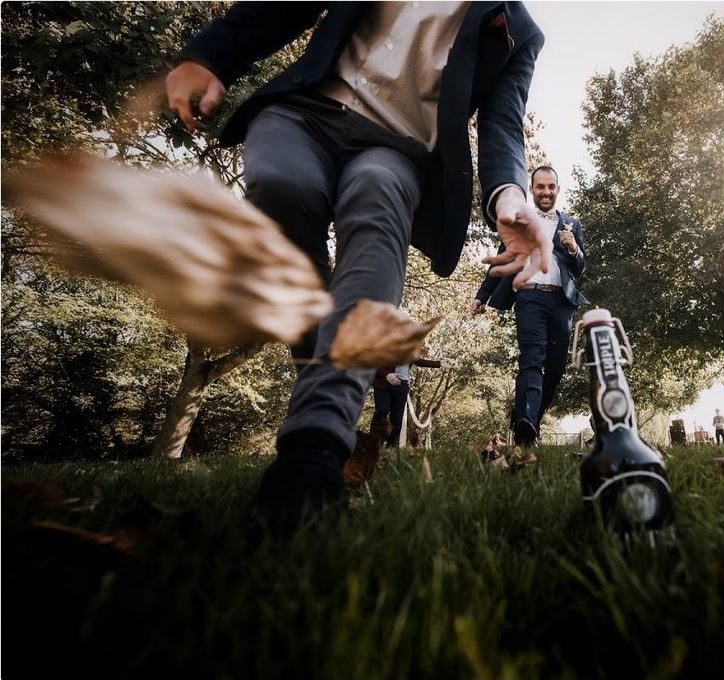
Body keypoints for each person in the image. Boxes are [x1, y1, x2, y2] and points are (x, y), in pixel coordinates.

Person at [167, 3, 549, 531]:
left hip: (396, 149)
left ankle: (315, 448)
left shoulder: (519, 33)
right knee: (283, 187)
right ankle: (321, 348)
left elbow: (502, 125)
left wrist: (508, 195)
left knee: (377, 207)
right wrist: (208, 56)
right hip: (305, 114)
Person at [470, 165, 588, 446]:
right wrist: (481, 295)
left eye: (550, 187)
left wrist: (573, 248)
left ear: (557, 189)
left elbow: (581, 267)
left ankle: (530, 419)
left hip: (561, 302)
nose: (545, 192)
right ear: (532, 190)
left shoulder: (572, 223)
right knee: (532, 358)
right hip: (529, 298)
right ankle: (525, 425)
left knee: (556, 367)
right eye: (540, 187)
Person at [372, 358, 446, 448]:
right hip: (383, 384)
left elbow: (419, 361)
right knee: (382, 411)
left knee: (397, 420)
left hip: (401, 387)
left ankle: (391, 447)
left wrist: (440, 363)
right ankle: (373, 443)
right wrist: (386, 374)